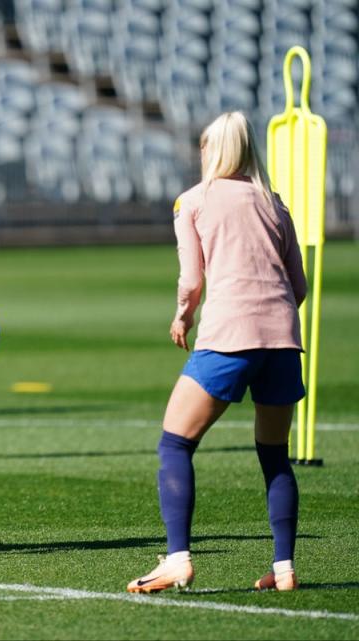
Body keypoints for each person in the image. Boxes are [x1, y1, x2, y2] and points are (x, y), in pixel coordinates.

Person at [127, 112, 307, 593]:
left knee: (175, 443)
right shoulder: (275, 203)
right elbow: (300, 285)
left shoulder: (194, 200)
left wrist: (182, 316)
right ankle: (285, 569)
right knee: (275, 455)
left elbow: (191, 278)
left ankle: (179, 558)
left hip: (229, 336)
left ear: (212, 150)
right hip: (284, 340)